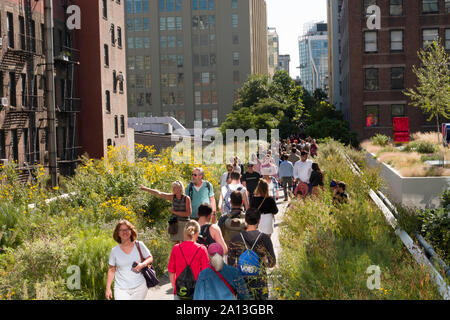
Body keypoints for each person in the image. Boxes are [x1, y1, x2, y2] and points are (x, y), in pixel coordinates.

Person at [228, 208, 276, 300]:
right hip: (260, 282)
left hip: (242, 282)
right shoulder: (264, 238)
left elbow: (231, 265)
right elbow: (272, 263)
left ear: (245, 220)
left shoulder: (235, 239)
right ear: (259, 220)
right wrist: (261, 262)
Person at [106, 220, 153, 300]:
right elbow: (111, 270)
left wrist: (142, 264)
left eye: (127, 229)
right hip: (120, 289)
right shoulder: (114, 251)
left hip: (140, 287)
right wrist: (108, 288)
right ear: (118, 233)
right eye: (121, 230)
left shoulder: (139, 245)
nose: (125, 232)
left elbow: (150, 257)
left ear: (131, 231)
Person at [168, 220, 210, 300]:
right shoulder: (201, 249)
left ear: (184, 233)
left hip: (180, 290)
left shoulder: (176, 248)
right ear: (197, 233)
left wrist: (175, 286)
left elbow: (171, 271)